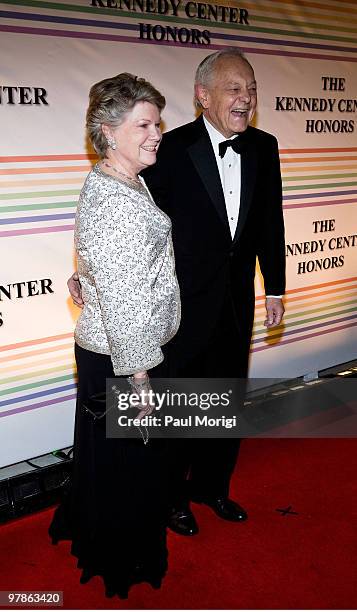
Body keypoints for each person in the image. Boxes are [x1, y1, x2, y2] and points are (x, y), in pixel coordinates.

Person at [69, 48, 285, 537]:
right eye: (234, 88)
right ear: (202, 96)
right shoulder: (167, 146)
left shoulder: (265, 146)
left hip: (237, 302)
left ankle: (213, 487)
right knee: (178, 406)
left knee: (226, 399)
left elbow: (271, 221)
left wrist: (275, 287)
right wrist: (84, 269)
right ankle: (172, 500)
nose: (245, 98)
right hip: (180, 308)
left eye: (250, 88)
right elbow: (114, 215)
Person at [49, 73, 181, 598]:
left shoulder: (117, 177)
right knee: (133, 465)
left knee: (108, 460)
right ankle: (121, 558)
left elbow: (106, 257)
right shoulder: (117, 196)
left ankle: (94, 529)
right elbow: (126, 305)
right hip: (126, 357)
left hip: (109, 349)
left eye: (158, 123)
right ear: (108, 130)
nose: (157, 134)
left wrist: (85, 274)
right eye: (144, 124)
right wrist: (141, 379)